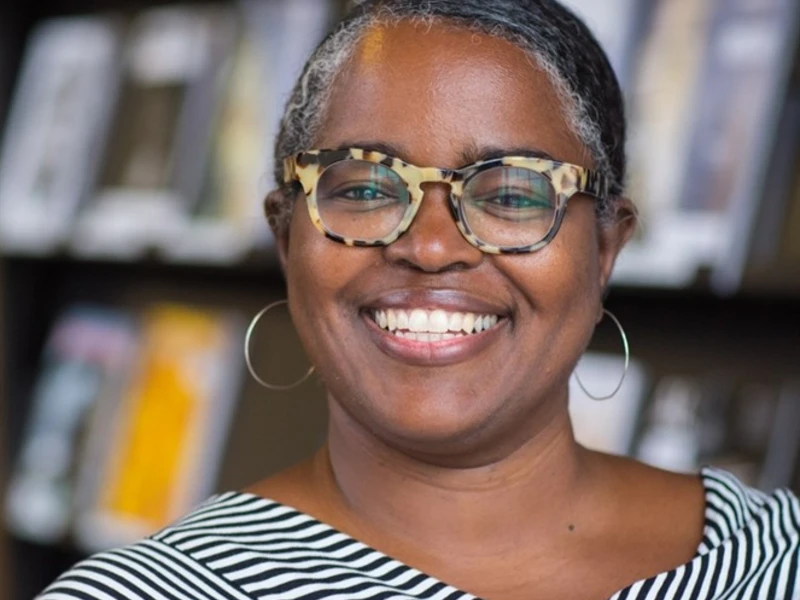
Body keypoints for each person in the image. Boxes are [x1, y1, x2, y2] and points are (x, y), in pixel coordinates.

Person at [41, 1, 800, 599]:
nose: (432, 247)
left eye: (510, 193)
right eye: (367, 188)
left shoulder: (774, 562)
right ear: (286, 238)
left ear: (604, 250)